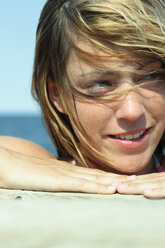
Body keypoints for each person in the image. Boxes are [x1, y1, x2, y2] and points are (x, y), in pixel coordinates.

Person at [1, 0, 165, 198]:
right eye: (101, 84)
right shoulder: (36, 163)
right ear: (57, 95)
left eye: (150, 76)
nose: (132, 111)